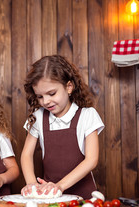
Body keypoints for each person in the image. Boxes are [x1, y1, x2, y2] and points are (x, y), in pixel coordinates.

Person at [21, 55, 104, 199]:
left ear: (69, 87)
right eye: (40, 96)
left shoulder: (87, 115)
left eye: (52, 93)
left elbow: (91, 160)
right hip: (50, 196)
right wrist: (31, 183)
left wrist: (60, 186)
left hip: (83, 196)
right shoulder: (39, 116)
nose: (46, 101)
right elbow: (26, 155)